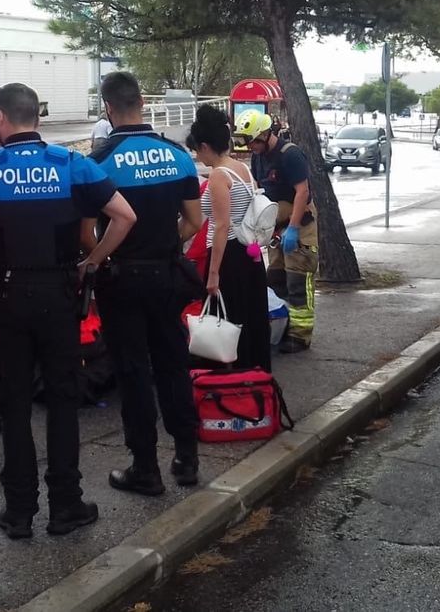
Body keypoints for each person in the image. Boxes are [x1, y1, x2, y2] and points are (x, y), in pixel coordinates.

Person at [0, 82, 137, 539]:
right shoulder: (73, 165)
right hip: (60, 294)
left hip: (7, 295)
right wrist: (92, 262)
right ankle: (66, 506)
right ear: (36, 117)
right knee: (62, 401)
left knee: (15, 402)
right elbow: (125, 216)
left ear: (0, 119)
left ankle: (18, 512)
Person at [87, 72, 204, 496]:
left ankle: (145, 468)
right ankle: (187, 458)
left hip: (120, 278)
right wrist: (162, 243)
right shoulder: (177, 155)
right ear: (141, 102)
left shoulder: (99, 160)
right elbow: (194, 220)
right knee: (173, 363)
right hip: (166, 274)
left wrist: (99, 258)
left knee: (133, 372)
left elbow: (86, 232)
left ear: (108, 108)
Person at [188, 107, 273, 371]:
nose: (196, 156)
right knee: (251, 321)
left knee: (226, 324)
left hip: (229, 258)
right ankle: (255, 381)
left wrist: (213, 274)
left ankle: (229, 386)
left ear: (205, 146)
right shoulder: (243, 169)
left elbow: (221, 225)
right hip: (251, 256)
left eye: (197, 151)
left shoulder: (218, 176)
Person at [239, 109, 317, 353]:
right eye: (246, 141)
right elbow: (261, 192)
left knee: (297, 281)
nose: (249, 146)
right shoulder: (258, 157)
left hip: (299, 225)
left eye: (252, 140)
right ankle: (283, 327)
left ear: (264, 133)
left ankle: (300, 335)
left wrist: (293, 229)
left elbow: (302, 192)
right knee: (276, 280)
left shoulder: (289, 155)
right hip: (276, 226)